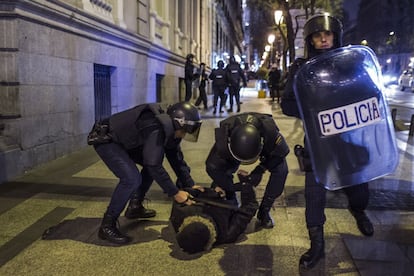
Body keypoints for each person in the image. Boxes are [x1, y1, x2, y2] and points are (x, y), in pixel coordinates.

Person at [281, 14, 374, 270]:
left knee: (358, 186)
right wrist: (313, 109)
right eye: (317, 35)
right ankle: (317, 244)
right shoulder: (301, 68)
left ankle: (358, 211)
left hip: (346, 137)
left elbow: (368, 93)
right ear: (310, 39)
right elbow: (287, 104)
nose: (323, 38)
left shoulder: (348, 64)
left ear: (335, 36)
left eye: (328, 34)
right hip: (317, 141)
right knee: (314, 194)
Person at [87, 102, 202, 245]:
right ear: (178, 122)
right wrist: (175, 193)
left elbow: (175, 158)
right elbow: (153, 164)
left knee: (150, 166)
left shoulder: (171, 127)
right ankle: (107, 226)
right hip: (107, 140)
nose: (185, 134)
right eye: (185, 130)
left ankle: (135, 207)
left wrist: (190, 184)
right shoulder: (156, 128)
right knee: (131, 178)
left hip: (126, 141)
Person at [205, 112, 289, 229]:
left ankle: (264, 211)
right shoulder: (224, 138)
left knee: (281, 171)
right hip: (233, 147)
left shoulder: (270, 133)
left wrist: (260, 169)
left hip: (262, 140)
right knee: (221, 171)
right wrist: (230, 186)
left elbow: (280, 154)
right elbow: (212, 167)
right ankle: (230, 200)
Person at [170, 172, 258, 254]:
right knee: (222, 172)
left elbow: (248, 210)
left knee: (221, 172)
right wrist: (246, 184)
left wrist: (212, 192)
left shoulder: (226, 234)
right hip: (224, 200)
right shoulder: (180, 214)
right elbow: (248, 209)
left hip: (215, 198)